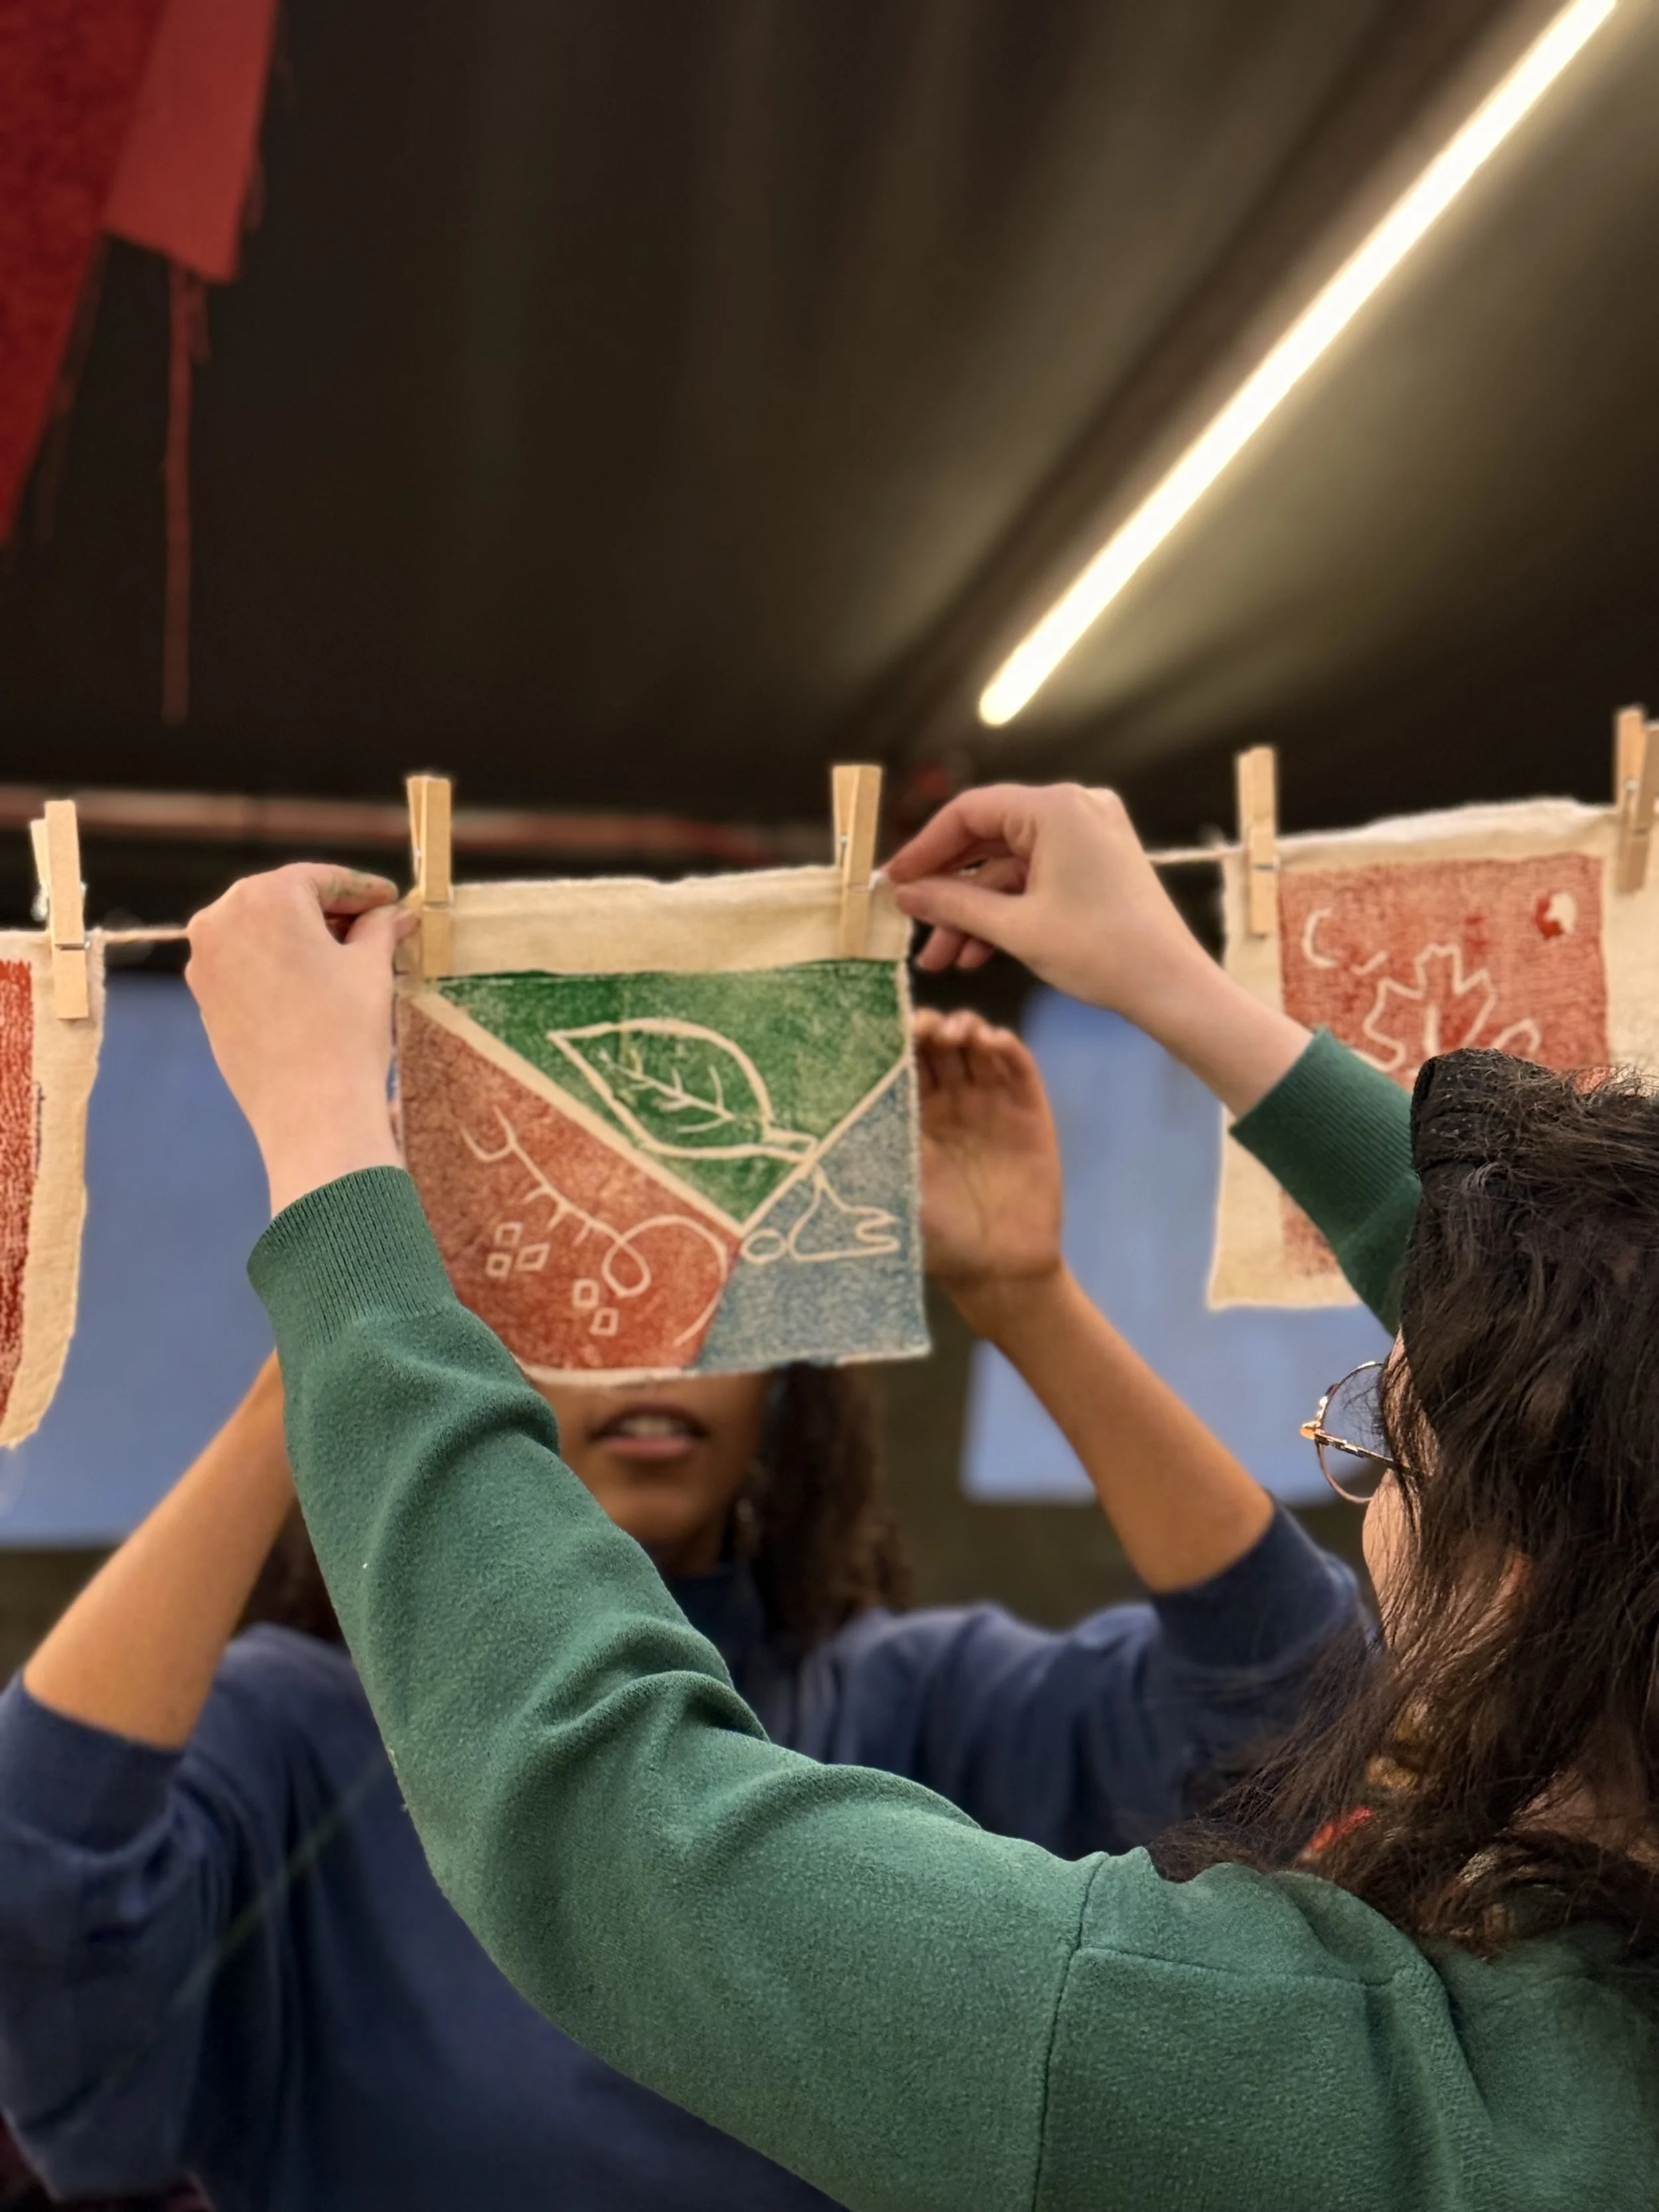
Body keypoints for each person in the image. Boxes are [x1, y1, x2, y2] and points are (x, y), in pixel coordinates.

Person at [168, 792, 1659, 2211]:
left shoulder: (1306, 2081)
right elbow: (1573, 1384)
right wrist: (1169, 983)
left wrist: (323, 1152)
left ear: (1515, 1581)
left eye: (1373, 1445)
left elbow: (617, 1823)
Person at [0, 974, 1364, 2210]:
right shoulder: (301, 1733)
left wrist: (1027, 1295)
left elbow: (1305, 1708)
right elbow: (36, 1907)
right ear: (462, 1339)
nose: (640, 1342)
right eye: (564, 1288)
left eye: (694, 1268)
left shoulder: (906, 1703)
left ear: (788, 1371)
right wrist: (335, 1341)